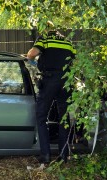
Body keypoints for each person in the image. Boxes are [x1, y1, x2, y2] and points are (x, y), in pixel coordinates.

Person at [26, 21, 76, 164]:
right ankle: (64, 156)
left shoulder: (45, 39)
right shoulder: (68, 42)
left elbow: (31, 54)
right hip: (66, 82)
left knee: (41, 117)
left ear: (44, 29)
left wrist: (32, 59)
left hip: (49, 80)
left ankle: (45, 156)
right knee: (63, 119)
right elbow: (75, 62)